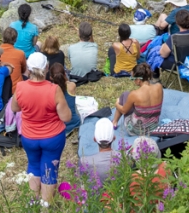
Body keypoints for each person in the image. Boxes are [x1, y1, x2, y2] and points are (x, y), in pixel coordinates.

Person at [12, 52, 72, 205]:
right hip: (52, 137)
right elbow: (66, 117)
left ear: (29, 69)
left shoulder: (20, 87)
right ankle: (46, 204)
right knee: (49, 169)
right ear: (47, 68)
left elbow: (14, 107)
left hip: (29, 136)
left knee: (33, 165)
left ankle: (32, 201)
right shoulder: (54, 89)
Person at [113, 63, 163, 136]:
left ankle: (114, 122)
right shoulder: (159, 87)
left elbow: (124, 111)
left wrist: (117, 104)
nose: (133, 81)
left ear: (139, 80)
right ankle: (114, 121)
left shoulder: (135, 94)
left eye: (133, 78)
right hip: (153, 127)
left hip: (137, 130)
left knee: (125, 94)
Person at [80, 117, 116, 183]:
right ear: (114, 138)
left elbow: (83, 180)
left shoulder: (84, 161)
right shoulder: (124, 157)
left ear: (94, 139)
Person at [49, 63, 81, 135]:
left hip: (59, 127)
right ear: (64, 74)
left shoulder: (50, 91)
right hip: (75, 122)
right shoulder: (72, 86)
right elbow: (67, 83)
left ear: (51, 77)